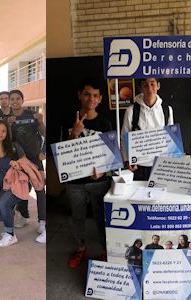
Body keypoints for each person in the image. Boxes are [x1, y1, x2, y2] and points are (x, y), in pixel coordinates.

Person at [64, 79, 113, 268]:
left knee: (101, 218)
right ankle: (80, 248)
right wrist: (74, 134)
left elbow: (110, 156)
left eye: (95, 95)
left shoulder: (105, 122)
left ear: (100, 99)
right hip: (74, 182)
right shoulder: (68, 120)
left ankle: (104, 251)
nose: (90, 99)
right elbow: (60, 152)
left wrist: (102, 173)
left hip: (98, 182)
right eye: (86, 94)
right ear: (80, 95)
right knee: (77, 217)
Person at [7, 89, 47, 243]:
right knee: (22, 188)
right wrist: (8, 126)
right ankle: (24, 216)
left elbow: (44, 133)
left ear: (22, 100)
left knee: (40, 190)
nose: (15, 101)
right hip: (20, 160)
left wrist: (41, 121)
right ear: (10, 102)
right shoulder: (8, 119)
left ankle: (43, 223)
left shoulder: (32, 115)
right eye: (12, 99)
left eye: (18, 98)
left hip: (35, 159)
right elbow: (9, 140)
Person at [120, 78, 174, 180]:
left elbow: (170, 138)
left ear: (158, 85)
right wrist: (127, 160)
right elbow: (124, 137)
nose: (149, 89)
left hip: (160, 166)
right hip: (138, 167)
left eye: (152, 84)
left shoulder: (167, 110)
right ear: (140, 88)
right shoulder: (131, 111)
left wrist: (170, 162)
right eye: (145, 85)